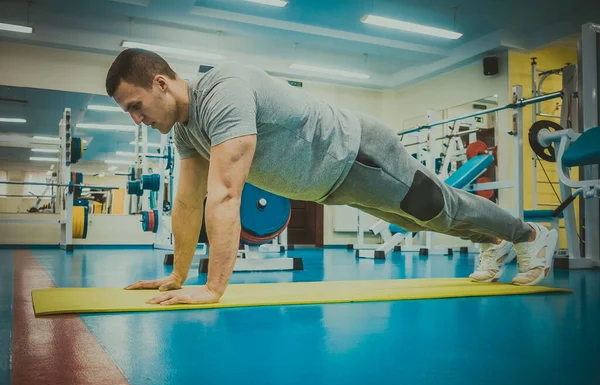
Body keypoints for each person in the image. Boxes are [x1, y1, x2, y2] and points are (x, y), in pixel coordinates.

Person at [105, 49, 558, 305]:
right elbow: (186, 203)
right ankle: (493, 244)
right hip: (332, 183)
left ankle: (530, 234)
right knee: (418, 223)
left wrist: (212, 288)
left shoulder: (223, 92)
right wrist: (178, 276)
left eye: (136, 106)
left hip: (357, 152)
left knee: (440, 206)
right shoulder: (186, 130)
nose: (136, 119)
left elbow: (224, 195)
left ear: (161, 83)